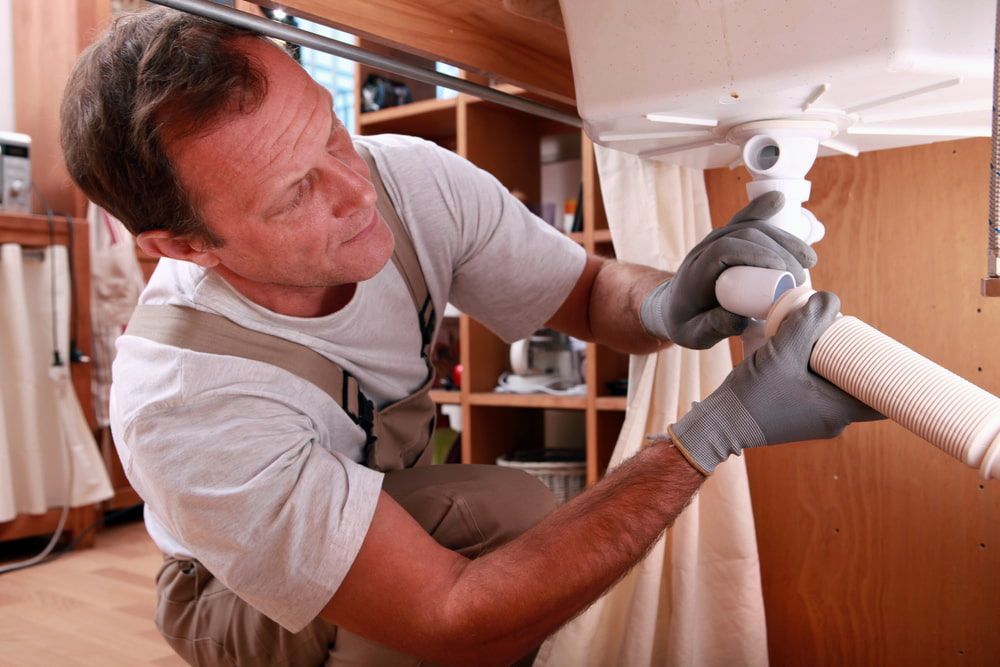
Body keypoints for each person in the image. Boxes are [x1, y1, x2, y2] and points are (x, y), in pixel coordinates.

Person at [60, 7, 881, 667]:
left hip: (381, 496)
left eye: (331, 132)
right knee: (474, 563)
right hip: (233, 593)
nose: (356, 191)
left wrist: (668, 301)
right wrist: (713, 433)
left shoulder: (407, 178)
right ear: (183, 245)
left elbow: (590, 293)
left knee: (502, 527)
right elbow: (452, 615)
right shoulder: (186, 403)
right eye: (292, 193)